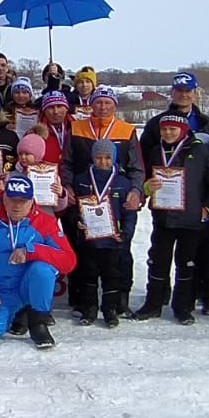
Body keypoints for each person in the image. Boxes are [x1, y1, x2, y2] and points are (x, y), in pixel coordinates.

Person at [140, 72, 209, 315]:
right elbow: (144, 165)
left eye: (188, 91)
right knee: (159, 258)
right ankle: (155, 301)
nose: (183, 95)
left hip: (192, 212)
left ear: (195, 92)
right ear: (172, 92)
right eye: (179, 91)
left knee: (194, 258)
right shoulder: (156, 138)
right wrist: (147, 187)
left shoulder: (205, 133)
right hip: (165, 212)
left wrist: (208, 206)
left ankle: (192, 302)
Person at [0, 173, 75, 348]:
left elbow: (69, 260)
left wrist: (32, 251)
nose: (17, 206)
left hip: (27, 287)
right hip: (0, 292)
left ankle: (37, 320)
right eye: (12, 200)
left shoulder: (45, 223)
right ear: (3, 198)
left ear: (32, 201)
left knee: (43, 270)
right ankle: (16, 313)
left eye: (22, 201)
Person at [64, 85, 145, 307]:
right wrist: (67, 187)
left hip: (117, 199)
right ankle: (81, 297)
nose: (102, 107)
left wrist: (136, 191)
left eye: (107, 103)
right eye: (98, 102)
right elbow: (67, 163)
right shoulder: (77, 127)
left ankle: (120, 298)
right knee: (82, 248)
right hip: (84, 197)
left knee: (120, 249)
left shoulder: (126, 130)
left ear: (114, 106)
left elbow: (137, 166)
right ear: (91, 104)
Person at [70, 139, 132, 326]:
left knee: (112, 276)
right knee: (88, 275)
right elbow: (74, 207)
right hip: (89, 240)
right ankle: (90, 309)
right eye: (98, 157)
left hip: (112, 241)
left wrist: (125, 233)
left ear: (113, 158)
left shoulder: (122, 182)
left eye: (107, 158)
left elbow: (129, 212)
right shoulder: (81, 179)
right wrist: (77, 222)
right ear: (92, 157)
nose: (103, 162)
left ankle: (109, 310)